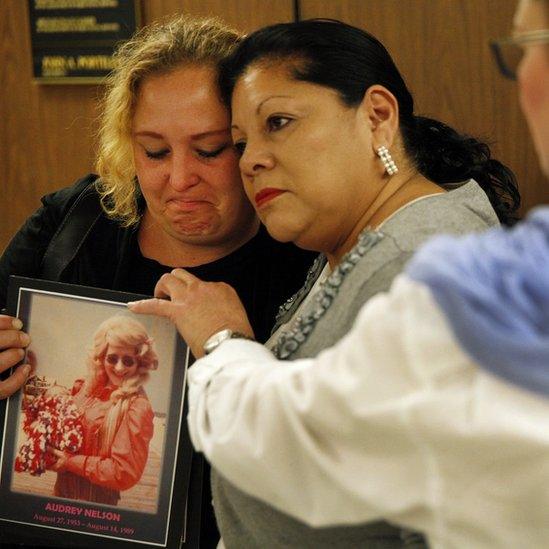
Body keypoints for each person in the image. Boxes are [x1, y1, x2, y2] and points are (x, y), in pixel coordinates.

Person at [129, 3, 549, 548]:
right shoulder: (351, 239)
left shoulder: (420, 257)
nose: (251, 160)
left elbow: (315, 463)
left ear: (376, 117)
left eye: (278, 123)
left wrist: (223, 341)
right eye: (239, 143)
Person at [0, 14, 315, 548]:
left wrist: (236, 349)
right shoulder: (74, 223)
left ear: (249, 142)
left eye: (210, 148)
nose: (179, 178)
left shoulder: (303, 252)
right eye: (155, 151)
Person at [45, 315, 157, 505]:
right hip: (59, 498)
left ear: (140, 363)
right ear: (101, 357)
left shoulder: (137, 407)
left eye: (128, 361)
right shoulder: (84, 389)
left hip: (94, 510)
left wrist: (70, 462)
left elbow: (123, 472)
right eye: (112, 358)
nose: (119, 368)